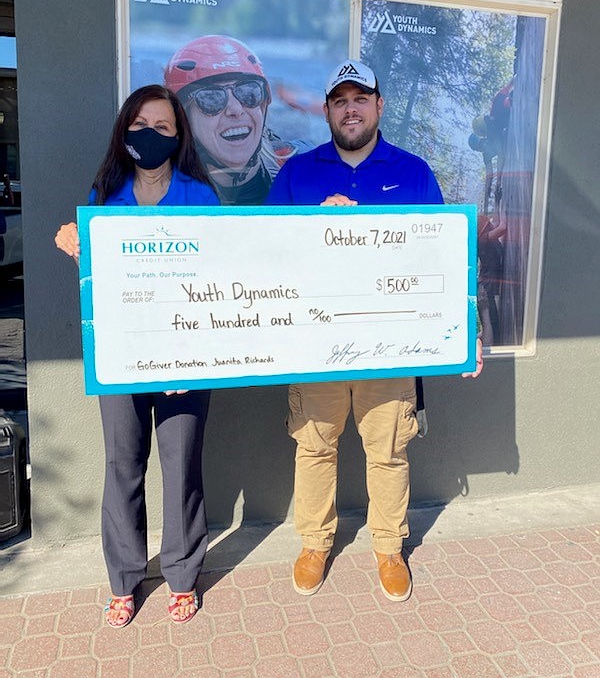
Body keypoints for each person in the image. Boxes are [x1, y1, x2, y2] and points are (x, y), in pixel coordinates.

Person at [266, 59, 483, 602]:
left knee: (388, 452)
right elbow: (263, 249)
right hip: (315, 345)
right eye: (340, 100)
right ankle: (316, 542)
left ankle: (389, 547)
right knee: (314, 448)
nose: (351, 108)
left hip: (389, 348)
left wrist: (466, 328)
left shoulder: (412, 171)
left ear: (379, 106)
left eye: (360, 98)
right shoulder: (298, 172)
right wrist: (313, 227)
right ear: (327, 111)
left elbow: (442, 257)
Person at [54, 84, 220, 627]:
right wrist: (73, 240)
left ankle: (181, 574)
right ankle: (124, 578)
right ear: (126, 130)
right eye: (141, 125)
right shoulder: (105, 195)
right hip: (122, 358)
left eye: (163, 127)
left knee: (181, 467)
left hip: (187, 359)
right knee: (122, 465)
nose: (151, 135)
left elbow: (224, 277)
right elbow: (96, 277)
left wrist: (186, 358)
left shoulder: (201, 196)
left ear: (178, 137)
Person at [164, 34, 301, 205]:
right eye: (211, 98)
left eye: (249, 92)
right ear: (184, 118)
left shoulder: (299, 167)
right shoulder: (161, 188)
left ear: (263, 105)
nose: (236, 110)